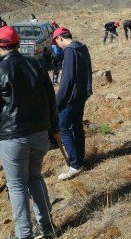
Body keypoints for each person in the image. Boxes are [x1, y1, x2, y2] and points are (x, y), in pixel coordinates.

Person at [0, 26, 59, 239]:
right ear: (18, 43)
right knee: (35, 178)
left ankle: (24, 234)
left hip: (13, 137)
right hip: (40, 133)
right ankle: (48, 226)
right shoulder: (36, 65)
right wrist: (55, 128)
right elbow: (50, 98)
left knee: (16, 186)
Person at [53, 27, 93, 180]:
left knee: (63, 126)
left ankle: (75, 165)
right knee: (76, 125)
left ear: (61, 38)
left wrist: (58, 102)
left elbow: (67, 80)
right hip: (81, 94)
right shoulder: (82, 47)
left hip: (70, 97)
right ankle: (80, 159)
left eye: (56, 41)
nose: (57, 45)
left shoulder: (69, 51)